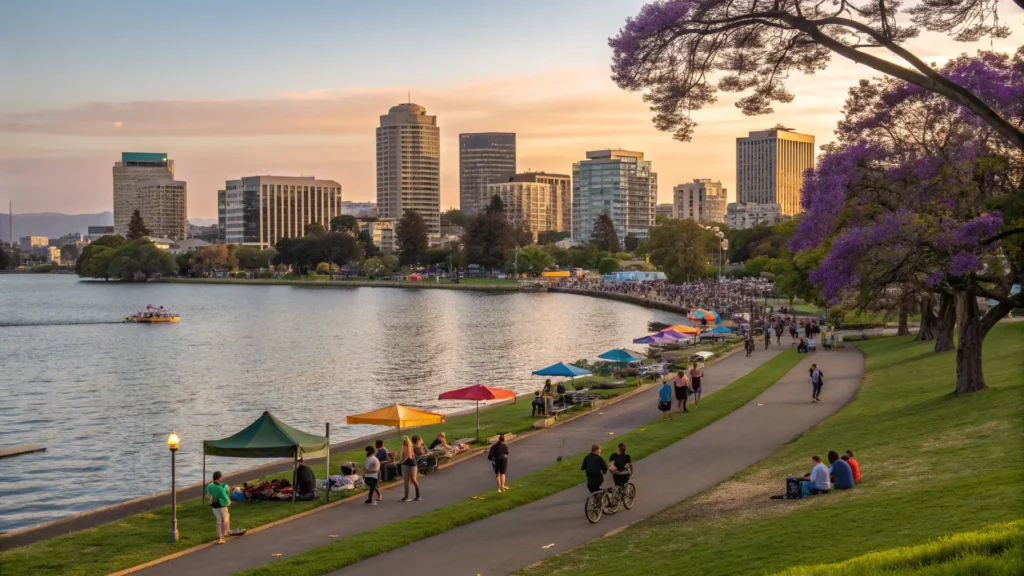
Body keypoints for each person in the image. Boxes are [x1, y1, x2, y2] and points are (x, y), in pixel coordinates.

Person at [207, 471, 232, 544]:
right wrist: (229, 503)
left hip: (214, 506)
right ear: (218, 479)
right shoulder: (220, 488)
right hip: (222, 506)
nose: (221, 479)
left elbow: (208, 494)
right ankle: (225, 533)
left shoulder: (210, 486)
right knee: (226, 519)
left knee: (219, 521)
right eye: (220, 477)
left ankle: (219, 538)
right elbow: (225, 497)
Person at [398, 436, 421, 502]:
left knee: (413, 479)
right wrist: (401, 461)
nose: (405, 442)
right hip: (406, 464)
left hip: (412, 464)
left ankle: (418, 495)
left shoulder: (410, 446)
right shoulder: (403, 447)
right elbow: (402, 455)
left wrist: (403, 461)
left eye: (406, 440)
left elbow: (409, 456)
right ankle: (406, 497)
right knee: (406, 481)